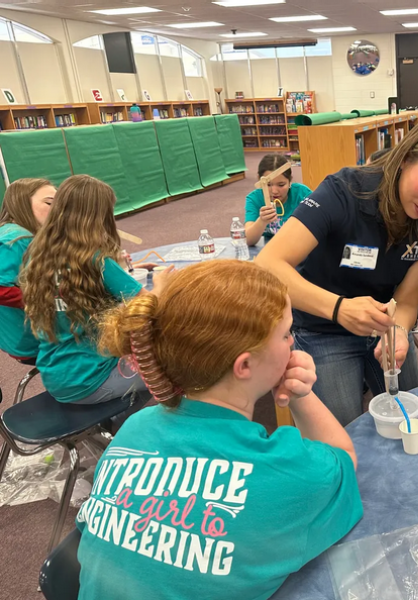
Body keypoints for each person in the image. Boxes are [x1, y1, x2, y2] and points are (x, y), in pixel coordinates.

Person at [75, 260, 362, 600]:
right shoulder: (280, 468)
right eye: (286, 333)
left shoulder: (135, 427)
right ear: (245, 364)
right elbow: (344, 458)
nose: (293, 341)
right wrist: (301, 394)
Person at [256, 109, 418, 425]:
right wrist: (339, 309)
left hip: (385, 327)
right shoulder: (343, 191)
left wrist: (400, 330)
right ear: (406, 157)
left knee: (411, 422)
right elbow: (266, 265)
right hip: (324, 328)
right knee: (342, 435)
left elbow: (408, 300)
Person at [20, 174, 170, 404]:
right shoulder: (96, 260)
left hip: (57, 377)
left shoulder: (37, 256)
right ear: (99, 216)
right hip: (94, 379)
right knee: (177, 363)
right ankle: (129, 421)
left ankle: (119, 416)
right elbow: (149, 304)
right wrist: (162, 284)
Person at [0, 178, 55, 362]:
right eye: (50, 203)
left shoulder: (11, 231)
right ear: (23, 204)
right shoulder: (17, 239)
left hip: (18, 337)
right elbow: (1, 289)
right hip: (34, 340)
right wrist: (48, 301)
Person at [244, 155, 312, 246]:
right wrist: (262, 221)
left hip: (298, 245)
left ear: (290, 181)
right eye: (268, 185)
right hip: (269, 247)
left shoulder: (302, 194)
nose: (274, 191)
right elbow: (248, 240)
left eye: (281, 185)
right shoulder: (254, 199)